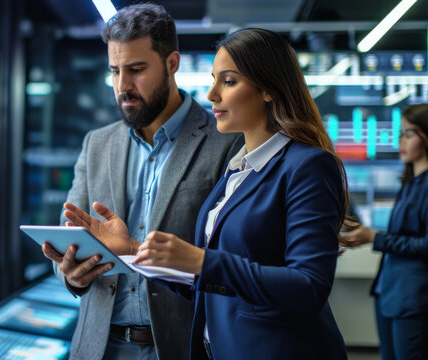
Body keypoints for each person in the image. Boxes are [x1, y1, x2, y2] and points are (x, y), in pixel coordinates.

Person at [64, 28, 349, 359]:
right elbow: (211, 283)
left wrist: (201, 261)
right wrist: (132, 249)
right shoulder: (237, 171)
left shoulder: (308, 165)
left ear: (268, 89)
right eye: (214, 80)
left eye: (228, 81)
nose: (212, 93)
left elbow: (309, 287)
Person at [40, 4, 243, 360]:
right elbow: (68, 239)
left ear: (172, 64)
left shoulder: (225, 141)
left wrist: (137, 250)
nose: (123, 86)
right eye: (115, 71)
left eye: (136, 70)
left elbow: (233, 260)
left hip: (183, 346)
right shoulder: (97, 144)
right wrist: (71, 273)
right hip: (99, 346)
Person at [342, 104, 428, 360]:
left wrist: (374, 238)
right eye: (400, 133)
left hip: (412, 298)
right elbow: (406, 234)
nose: (400, 141)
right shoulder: (411, 182)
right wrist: (367, 233)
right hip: (391, 293)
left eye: (409, 134)